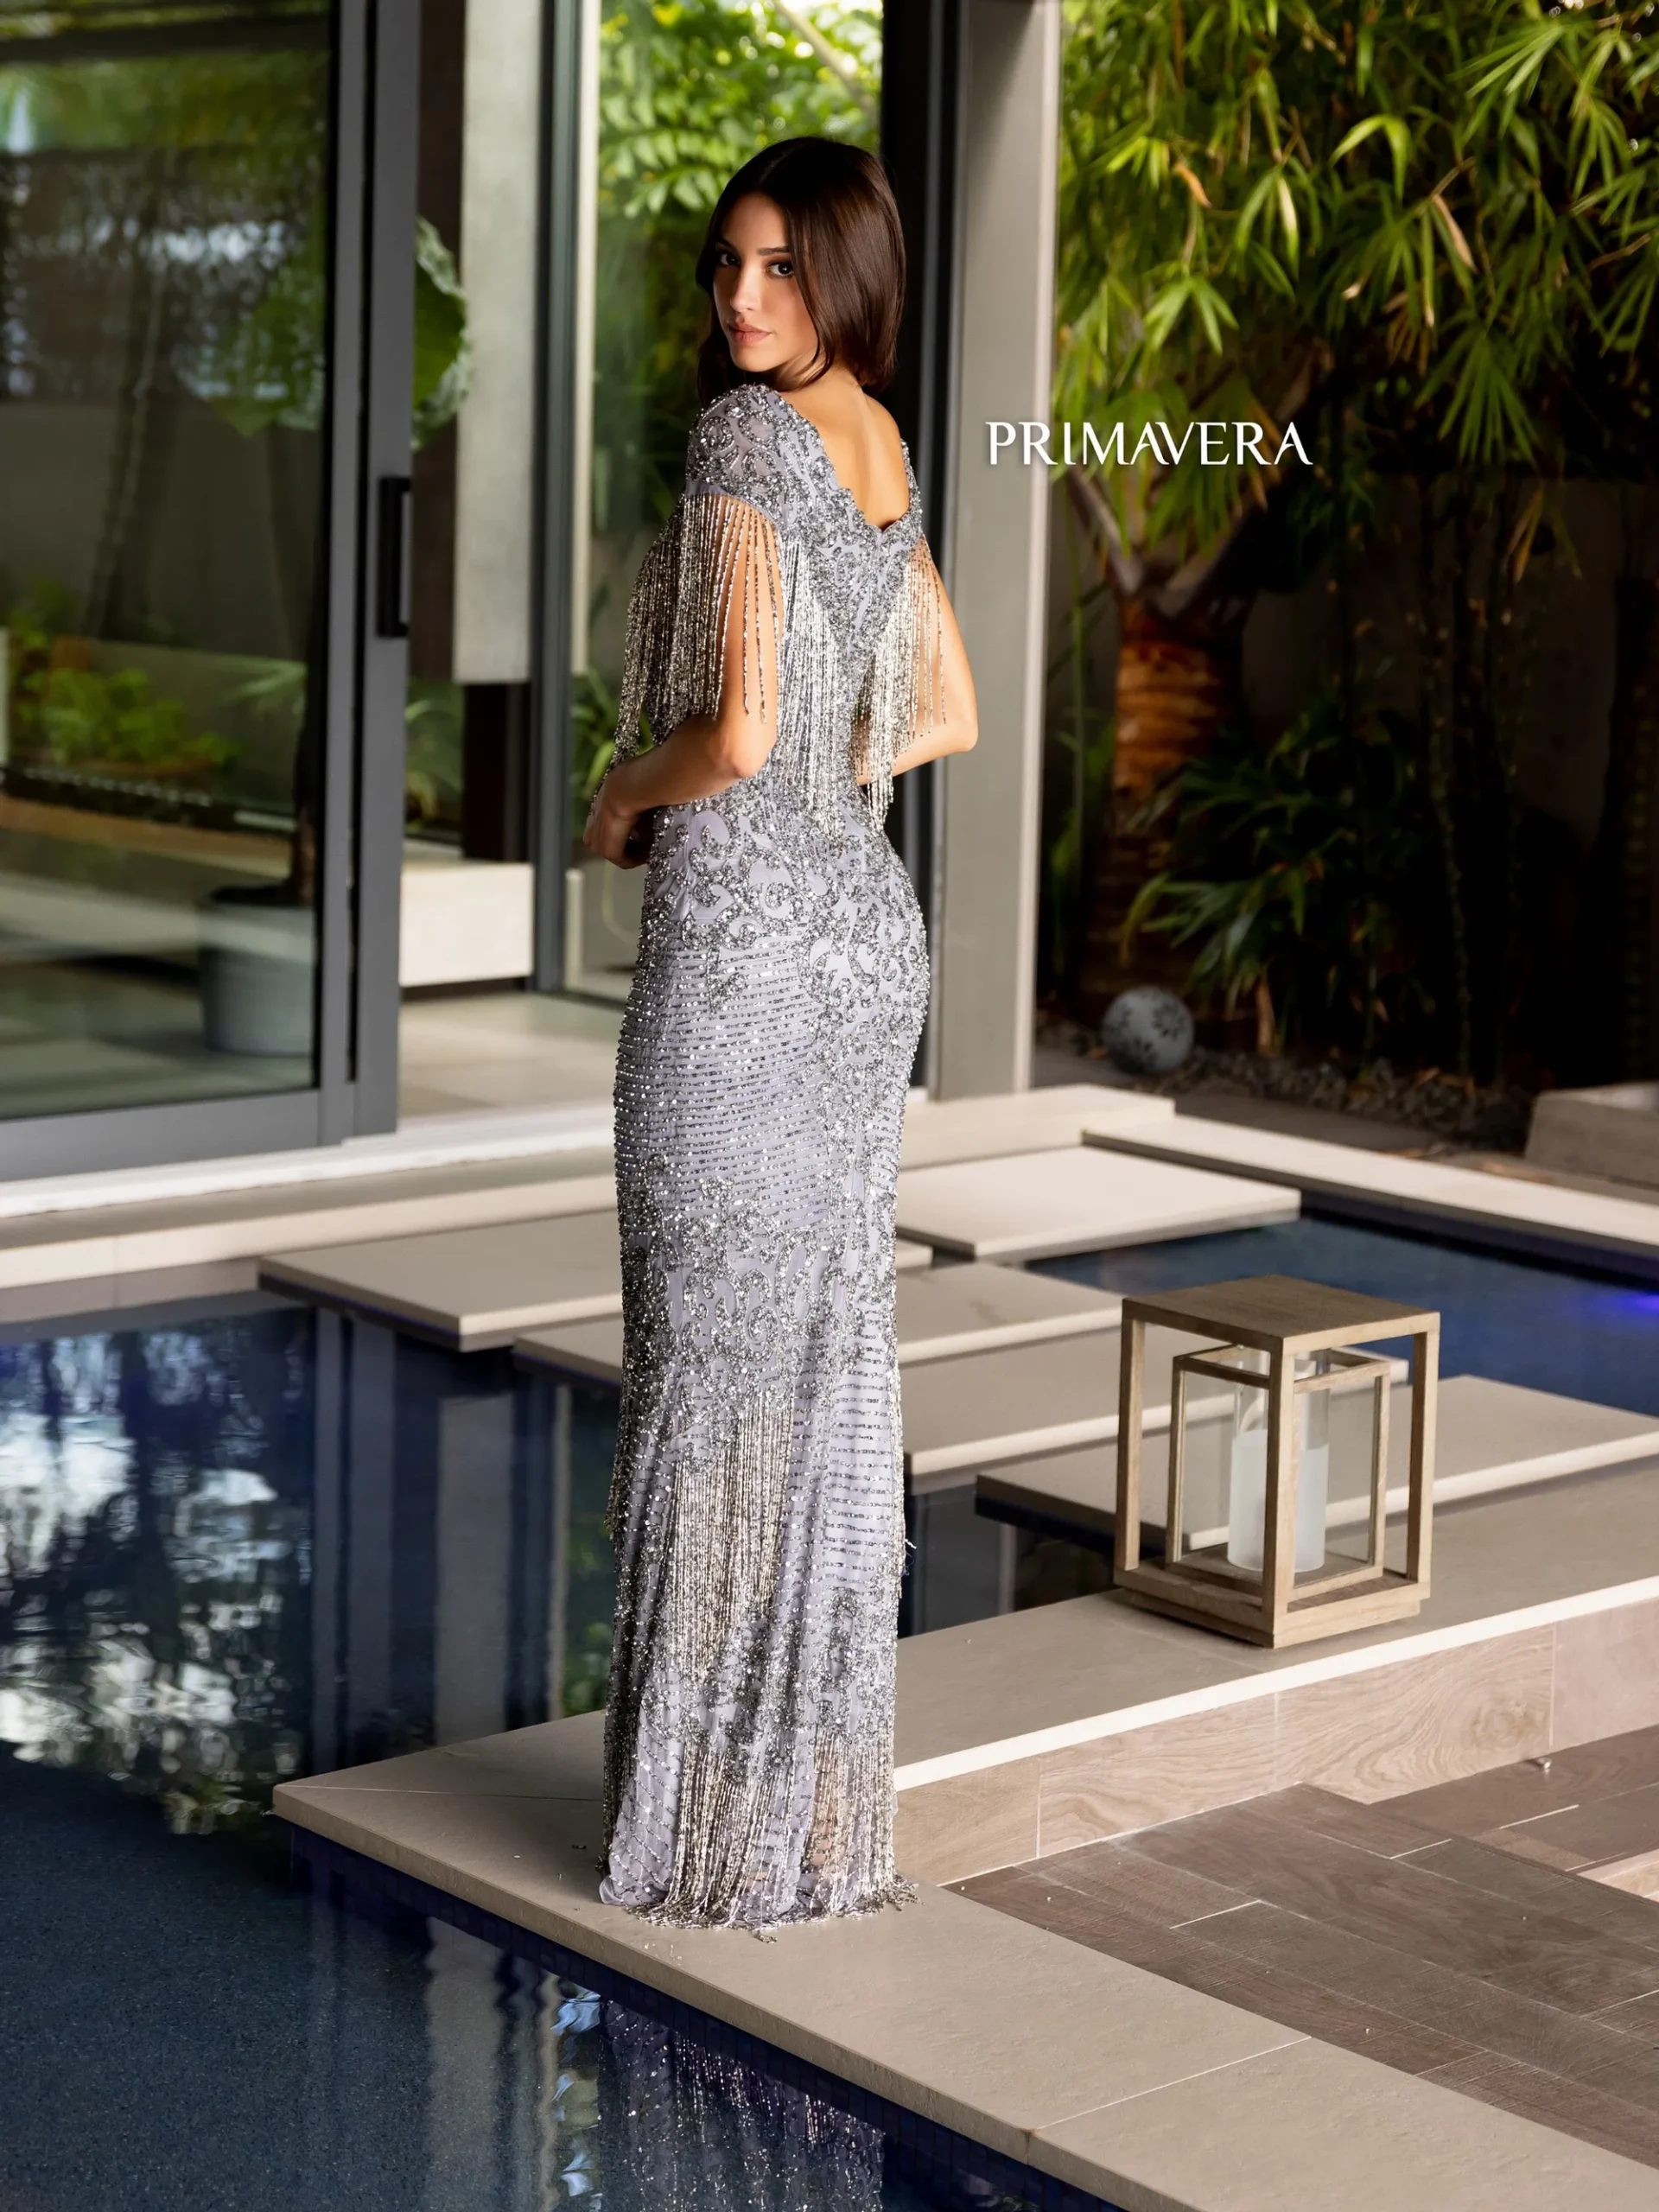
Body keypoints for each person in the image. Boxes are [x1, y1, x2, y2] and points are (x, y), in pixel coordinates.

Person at [582, 136, 978, 1932]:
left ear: (845, 271)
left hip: (744, 967)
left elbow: (734, 734)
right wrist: (834, 780)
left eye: (781, 268)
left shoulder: (746, 441)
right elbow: (946, 709)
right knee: (816, 1376)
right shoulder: (876, 440)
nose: (742, 299)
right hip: (861, 951)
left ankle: (701, 1833)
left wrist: (621, 792)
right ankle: (803, 1817)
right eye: (728, 266)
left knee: (707, 1376)